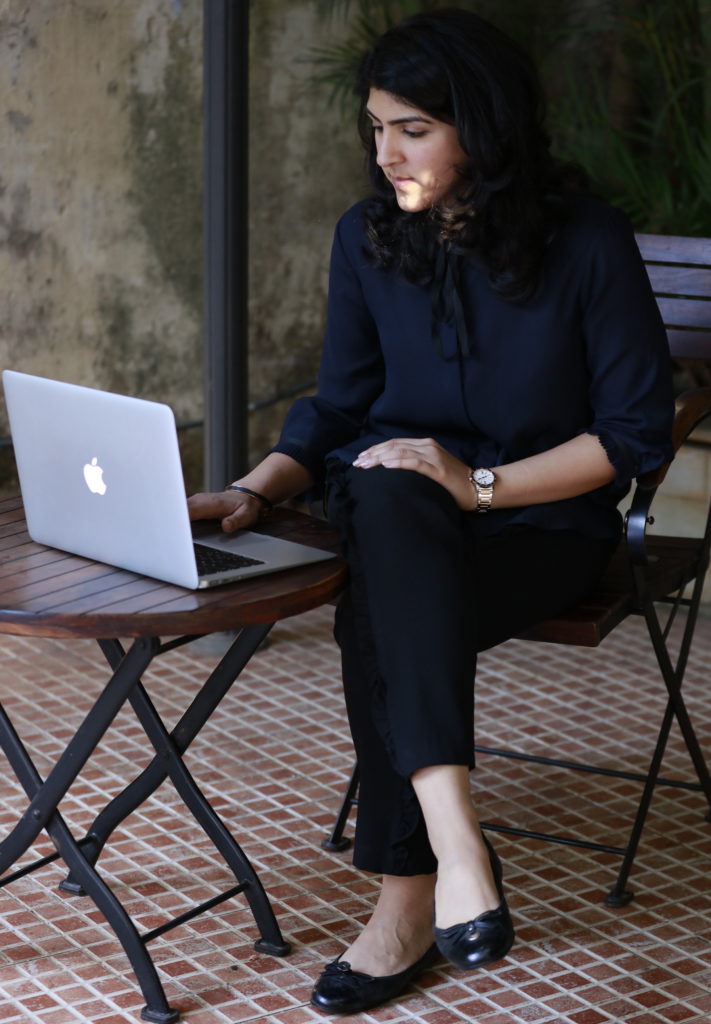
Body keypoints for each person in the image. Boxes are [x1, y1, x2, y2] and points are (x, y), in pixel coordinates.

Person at [188, 6, 674, 1015]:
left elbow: (632, 435)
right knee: (385, 488)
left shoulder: (587, 243)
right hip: (401, 513)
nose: (385, 153)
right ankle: (454, 845)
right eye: (376, 128)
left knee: (378, 601)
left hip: (542, 526)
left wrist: (477, 484)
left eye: (413, 129)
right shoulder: (367, 237)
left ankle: (406, 896)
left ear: (481, 129)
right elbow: (339, 404)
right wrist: (253, 488)